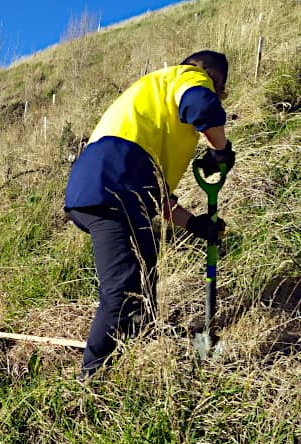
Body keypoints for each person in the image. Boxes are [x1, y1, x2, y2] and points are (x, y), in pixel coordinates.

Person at [64, 50, 235, 378]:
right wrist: (220, 149)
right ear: (213, 79)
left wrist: (194, 224)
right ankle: (92, 381)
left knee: (145, 271)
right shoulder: (188, 77)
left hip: (116, 184)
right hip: (112, 181)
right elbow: (202, 106)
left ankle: (139, 359)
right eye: (219, 90)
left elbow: (159, 196)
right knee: (124, 287)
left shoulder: (155, 107)